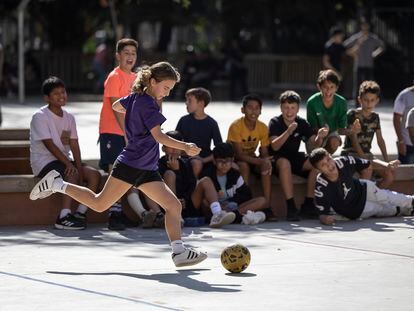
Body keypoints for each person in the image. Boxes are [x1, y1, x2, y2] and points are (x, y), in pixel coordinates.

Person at [30, 62, 208, 267]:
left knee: (172, 205)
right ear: (152, 82)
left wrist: (134, 106)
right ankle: (57, 184)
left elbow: (117, 106)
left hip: (146, 167)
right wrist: (185, 146)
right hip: (132, 165)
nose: (167, 93)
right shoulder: (148, 104)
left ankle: (179, 252)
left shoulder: (136, 98)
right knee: (99, 203)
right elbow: (159, 136)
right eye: (166, 88)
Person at [29, 76, 101, 230]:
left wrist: (80, 168)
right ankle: (63, 217)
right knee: (72, 173)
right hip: (44, 163)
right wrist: (71, 166)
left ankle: (80, 214)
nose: (61, 96)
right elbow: (50, 145)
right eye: (56, 93)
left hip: (62, 161)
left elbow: (74, 144)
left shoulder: (69, 117)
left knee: (94, 175)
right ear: (46, 98)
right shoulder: (40, 117)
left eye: (63, 92)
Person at [98, 38, 149, 231]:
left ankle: (121, 212)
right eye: (126, 53)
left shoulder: (136, 78)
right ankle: (114, 214)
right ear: (118, 55)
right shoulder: (114, 76)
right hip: (112, 132)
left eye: (133, 53)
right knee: (115, 172)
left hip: (131, 134)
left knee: (127, 173)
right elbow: (117, 108)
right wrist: (128, 133)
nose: (130, 57)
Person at [309, 148, 410, 226]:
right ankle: (407, 210)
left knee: (386, 196)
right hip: (355, 209)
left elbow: (367, 163)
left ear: (331, 156)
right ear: (318, 170)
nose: (329, 165)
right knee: (380, 209)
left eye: (328, 160)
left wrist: (386, 165)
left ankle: (411, 201)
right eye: (323, 165)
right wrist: (325, 219)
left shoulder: (343, 162)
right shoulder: (321, 186)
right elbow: (322, 214)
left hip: (363, 188)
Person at [268, 90, 328, 221]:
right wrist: (288, 132)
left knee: (316, 164)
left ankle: (308, 204)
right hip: (276, 159)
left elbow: (315, 142)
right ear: (281, 108)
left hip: (294, 157)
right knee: (285, 163)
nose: (289, 112)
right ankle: (290, 206)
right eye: (286, 108)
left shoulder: (302, 122)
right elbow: (274, 146)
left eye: (292, 108)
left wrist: (320, 136)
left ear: (298, 109)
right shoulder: (275, 122)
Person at [159, 131, 236, 228]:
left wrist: (185, 200)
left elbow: (191, 184)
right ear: (163, 148)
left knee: (206, 181)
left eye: (177, 145)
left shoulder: (185, 163)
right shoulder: (159, 165)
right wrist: (175, 172)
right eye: (170, 145)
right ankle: (175, 216)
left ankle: (217, 214)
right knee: (170, 174)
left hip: (187, 204)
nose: (174, 149)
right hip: (168, 206)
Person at [342, 81, 399, 188]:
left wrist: (386, 159)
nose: (369, 103)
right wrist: (363, 157)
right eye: (366, 100)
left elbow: (380, 140)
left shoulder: (375, 117)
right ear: (359, 99)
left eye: (372, 100)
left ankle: (373, 194)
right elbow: (353, 137)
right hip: (351, 153)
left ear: (377, 101)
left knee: (389, 175)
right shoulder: (353, 114)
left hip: (367, 153)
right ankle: (362, 198)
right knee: (367, 169)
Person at [203, 142, 267, 225]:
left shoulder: (235, 175)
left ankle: (232, 217)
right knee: (204, 202)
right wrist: (220, 206)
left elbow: (246, 195)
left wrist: (231, 203)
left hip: (233, 208)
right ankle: (228, 217)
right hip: (216, 209)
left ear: (232, 160)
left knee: (262, 200)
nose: (224, 164)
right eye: (220, 161)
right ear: (214, 161)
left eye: (227, 161)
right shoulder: (208, 174)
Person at [227, 94, 272, 208]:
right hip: (235, 160)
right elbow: (239, 155)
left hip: (252, 158)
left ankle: (267, 204)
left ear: (260, 111)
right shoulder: (236, 126)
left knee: (266, 166)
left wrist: (265, 160)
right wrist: (260, 161)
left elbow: (264, 151)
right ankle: (244, 201)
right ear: (243, 110)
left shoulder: (263, 127)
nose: (253, 111)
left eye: (257, 108)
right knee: (244, 166)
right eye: (250, 107)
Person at [306, 69, 360, 154]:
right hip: (315, 134)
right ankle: (314, 159)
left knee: (334, 142)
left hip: (332, 134)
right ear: (319, 87)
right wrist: (320, 134)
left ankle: (325, 160)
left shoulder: (342, 102)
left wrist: (351, 131)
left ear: (336, 88)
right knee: (318, 141)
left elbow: (340, 129)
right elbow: (311, 127)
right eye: (325, 87)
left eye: (332, 87)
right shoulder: (312, 102)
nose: (328, 90)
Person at [176, 87, 222, 178]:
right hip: (186, 157)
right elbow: (176, 141)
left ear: (201, 103)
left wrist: (204, 160)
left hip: (205, 159)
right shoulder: (183, 120)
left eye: (190, 100)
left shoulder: (212, 123)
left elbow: (219, 148)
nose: (186, 103)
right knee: (195, 163)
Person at [344, 18, 385, 101]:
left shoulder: (373, 38)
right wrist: (353, 52)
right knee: (358, 84)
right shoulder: (356, 37)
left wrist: (375, 54)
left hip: (369, 64)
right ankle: (357, 101)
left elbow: (382, 46)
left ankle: (369, 99)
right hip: (359, 64)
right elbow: (345, 46)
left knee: (369, 84)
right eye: (363, 25)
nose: (365, 27)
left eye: (366, 25)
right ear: (361, 26)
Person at [393, 82, 414, 164]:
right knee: (407, 173)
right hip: (407, 143)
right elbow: (396, 119)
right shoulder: (404, 96)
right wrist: (401, 141)